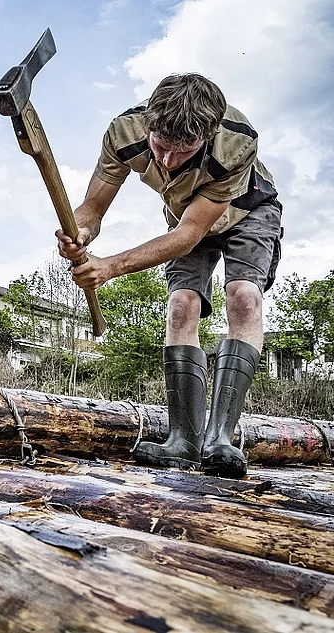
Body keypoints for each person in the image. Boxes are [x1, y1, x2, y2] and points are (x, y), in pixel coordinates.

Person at [57, 73, 282, 478]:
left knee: (243, 296)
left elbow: (189, 234)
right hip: (184, 215)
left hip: (248, 211)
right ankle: (183, 441)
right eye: (160, 147)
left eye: (183, 152)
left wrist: (111, 266)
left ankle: (220, 440)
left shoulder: (236, 142)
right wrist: (81, 233)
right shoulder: (124, 132)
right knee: (181, 304)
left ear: (208, 135)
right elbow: (93, 206)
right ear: (149, 124)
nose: (167, 162)